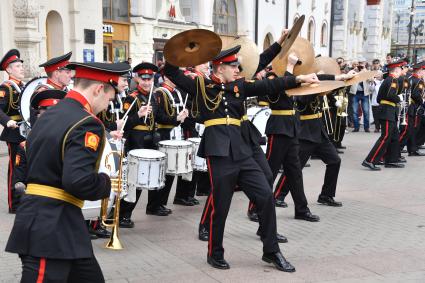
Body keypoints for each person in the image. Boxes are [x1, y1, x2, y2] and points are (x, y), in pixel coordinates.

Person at [165, 45, 319, 272]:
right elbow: (171, 72)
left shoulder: (239, 87)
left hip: (243, 150)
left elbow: (269, 84)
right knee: (221, 205)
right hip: (219, 152)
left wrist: (299, 78)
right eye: (233, 65)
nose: (237, 69)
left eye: (237, 65)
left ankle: (271, 251)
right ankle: (215, 252)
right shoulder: (200, 85)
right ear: (220, 68)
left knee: (266, 196)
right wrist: (184, 48)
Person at [5, 61, 131, 282]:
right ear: (98, 89)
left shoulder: (50, 114)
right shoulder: (86, 123)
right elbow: (78, 181)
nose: (107, 105)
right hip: (49, 226)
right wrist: (106, 182)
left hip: (60, 223)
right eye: (109, 99)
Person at [12, 89, 67, 210]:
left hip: (64, 202)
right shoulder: (25, 146)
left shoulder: (70, 142)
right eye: (46, 112)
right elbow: (19, 180)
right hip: (35, 202)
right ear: (39, 115)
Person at [118, 62, 156, 227]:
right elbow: (124, 125)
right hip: (135, 144)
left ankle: (127, 213)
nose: (147, 82)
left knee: (141, 182)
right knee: (132, 182)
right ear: (137, 79)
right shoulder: (131, 98)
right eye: (144, 79)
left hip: (148, 143)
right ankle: (122, 214)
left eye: (150, 79)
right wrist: (139, 115)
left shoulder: (152, 96)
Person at [147, 72, 188, 216]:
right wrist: (176, 118)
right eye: (172, 76)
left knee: (171, 171)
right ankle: (153, 205)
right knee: (161, 172)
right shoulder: (159, 93)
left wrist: (183, 116)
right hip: (164, 135)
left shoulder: (176, 92)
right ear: (165, 77)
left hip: (175, 134)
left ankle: (161, 203)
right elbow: (158, 116)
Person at [362, 59, 407, 170]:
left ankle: (391, 160)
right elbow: (390, 95)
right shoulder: (392, 80)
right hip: (387, 111)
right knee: (385, 137)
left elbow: (380, 97)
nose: (402, 71)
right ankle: (370, 160)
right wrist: (399, 98)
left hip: (389, 111)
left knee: (394, 137)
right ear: (396, 70)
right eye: (401, 69)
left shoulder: (390, 79)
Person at [0, 49, 25, 213]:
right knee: (15, 168)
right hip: (14, 133)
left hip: (26, 131)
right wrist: (7, 121)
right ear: (8, 70)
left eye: (21, 66)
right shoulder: (6, 87)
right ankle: (14, 204)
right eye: (17, 66)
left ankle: (24, 198)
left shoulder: (25, 87)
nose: (21, 69)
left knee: (25, 167)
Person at [399, 61, 425, 156]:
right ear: (420, 71)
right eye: (423, 71)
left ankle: (411, 148)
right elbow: (416, 95)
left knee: (410, 129)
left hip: (408, 106)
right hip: (414, 107)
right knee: (412, 129)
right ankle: (404, 149)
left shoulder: (409, 78)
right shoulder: (419, 81)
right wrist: (422, 101)